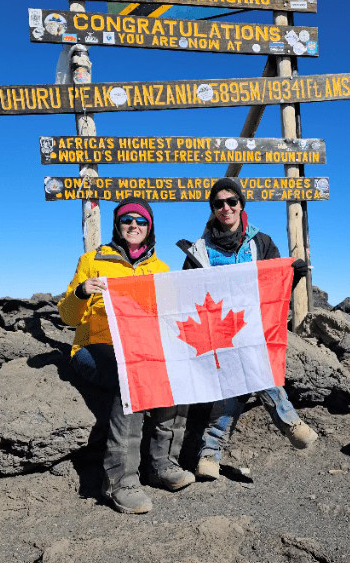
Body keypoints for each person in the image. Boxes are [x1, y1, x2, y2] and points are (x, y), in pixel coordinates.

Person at [59, 197, 194, 514]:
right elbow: (66, 316)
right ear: (117, 225)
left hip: (141, 348)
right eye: (127, 220)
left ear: (150, 228)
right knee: (131, 372)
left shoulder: (160, 269)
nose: (134, 225)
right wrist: (81, 293)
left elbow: (170, 315)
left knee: (178, 370)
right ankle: (119, 481)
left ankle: (162, 465)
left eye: (141, 221)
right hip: (94, 348)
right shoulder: (91, 261)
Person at [176, 178, 317, 481]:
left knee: (243, 368)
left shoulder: (261, 242)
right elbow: (187, 294)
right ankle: (289, 422)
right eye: (218, 203)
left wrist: (292, 275)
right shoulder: (198, 250)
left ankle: (210, 454)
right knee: (249, 367)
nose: (225, 208)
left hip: (252, 329)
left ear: (241, 204)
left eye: (231, 202)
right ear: (212, 209)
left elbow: (274, 288)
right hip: (215, 334)